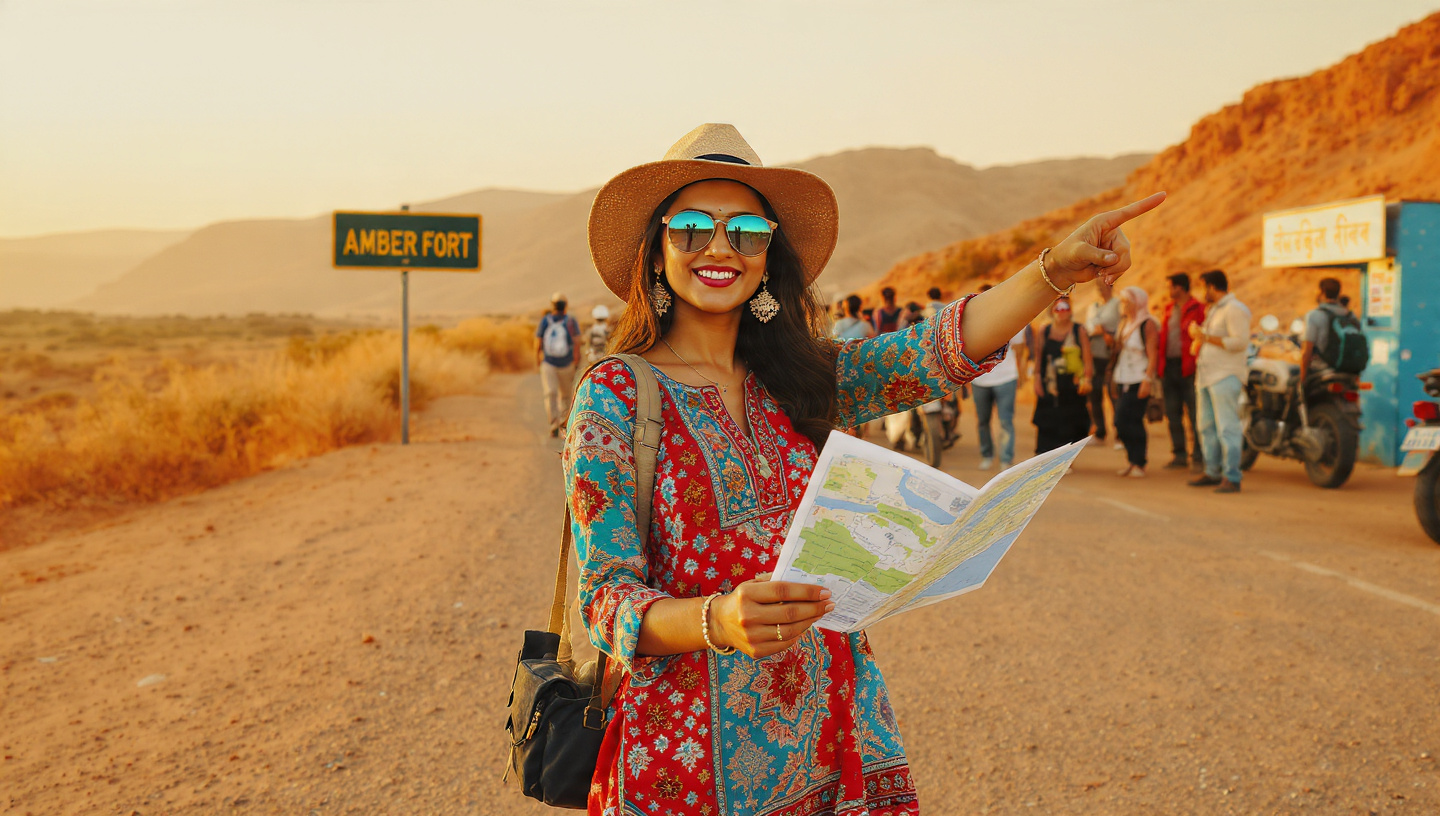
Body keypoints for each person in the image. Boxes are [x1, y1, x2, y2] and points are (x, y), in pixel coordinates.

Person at [566, 123, 1163, 814]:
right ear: (656, 248)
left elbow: (931, 353)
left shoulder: (803, 379)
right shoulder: (615, 394)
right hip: (687, 763)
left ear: (769, 256)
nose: (721, 248)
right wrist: (717, 619)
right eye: (693, 227)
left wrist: (1054, 270)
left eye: (748, 231)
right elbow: (606, 600)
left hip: (832, 730)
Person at [1187, 269, 1251, 494]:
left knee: (1227, 427)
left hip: (1225, 375)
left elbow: (1240, 342)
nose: (1203, 292)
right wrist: (1200, 338)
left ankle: (1232, 476)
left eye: (1205, 287)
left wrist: (1204, 337)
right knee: (1206, 426)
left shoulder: (1235, 309)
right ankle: (1213, 471)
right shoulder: (1215, 310)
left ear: (1212, 287)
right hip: (1207, 375)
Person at [1031, 296, 1095, 454]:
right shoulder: (1044, 330)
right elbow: (1039, 358)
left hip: (1071, 385)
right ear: (1052, 311)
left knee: (1071, 422)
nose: (1061, 312)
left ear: (1070, 310)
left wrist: (1086, 379)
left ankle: (1065, 460)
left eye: (1065, 308)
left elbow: (1087, 358)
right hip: (1050, 383)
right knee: (1048, 421)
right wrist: (1037, 379)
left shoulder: (1078, 330)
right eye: (1058, 308)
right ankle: (1046, 458)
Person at [1157, 272, 1206, 471]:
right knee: (1172, 412)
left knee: (1195, 413)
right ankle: (1179, 454)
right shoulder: (1169, 309)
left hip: (1190, 367)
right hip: (1170, 366)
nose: (1169, 291)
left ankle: (1199, 455)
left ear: (1180, 287)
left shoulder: (1198, 309)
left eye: (1171, 287)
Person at [1112, 286, 1160, 477]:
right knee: (1123, 421)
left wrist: (1147, 380)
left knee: (1130, 421)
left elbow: (1153, 354)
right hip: (1123, 377)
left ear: (1137, 303)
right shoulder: (1125, 323)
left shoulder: (1146, 324)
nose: (1123, 305)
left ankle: (1139, 462)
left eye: (1126, 302)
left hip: (1139, 379)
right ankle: (1132, 461)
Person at [535, 292, 581, 437]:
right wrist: (576, 360)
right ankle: (562, 425)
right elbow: (577, 342)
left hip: (549, 363)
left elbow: (538, 341)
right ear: (565, 306)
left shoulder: (545, 321)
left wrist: (538, 358)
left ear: (552, 306)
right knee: (566, 396)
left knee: (551, 394)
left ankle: (554, 424)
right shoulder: (571, 321)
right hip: (566, 364)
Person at [1083, 278, 1122, 448]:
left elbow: (1121, 327)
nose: (1099, 289)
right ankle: (1099, 431)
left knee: (1113, 394)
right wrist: (1094, 331)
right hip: (1094, 354)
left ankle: (1120, 433)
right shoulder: (1093, 307)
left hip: (1110, 355)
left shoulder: (1117, 305)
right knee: (1095, 395)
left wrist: (1106, 332)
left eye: (1102, 285)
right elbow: (1087, 328)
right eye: (1097, 286)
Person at [1299, 277, 1358, 383]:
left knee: (1291, 384)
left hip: (1321, 369)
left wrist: (1302, 380)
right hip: (1348, 369)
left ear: (1322, 292)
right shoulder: (1350, 315)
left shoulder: (1314, 315)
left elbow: (1306, 352)